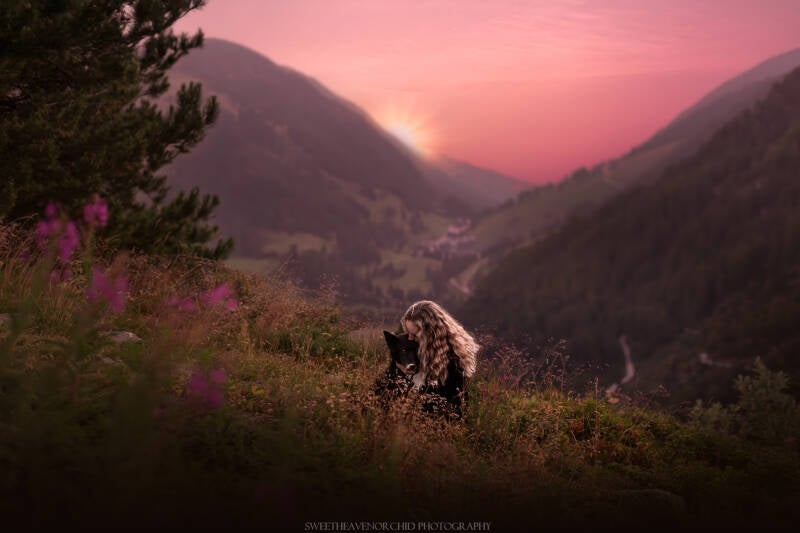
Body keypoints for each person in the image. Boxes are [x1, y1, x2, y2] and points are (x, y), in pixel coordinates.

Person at [400, 300, 479, 415]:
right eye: (408, 334)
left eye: (415, 335)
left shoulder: (453, 363)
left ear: (429, 334)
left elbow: (450, 409)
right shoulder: (425, 352)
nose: (410, 339)